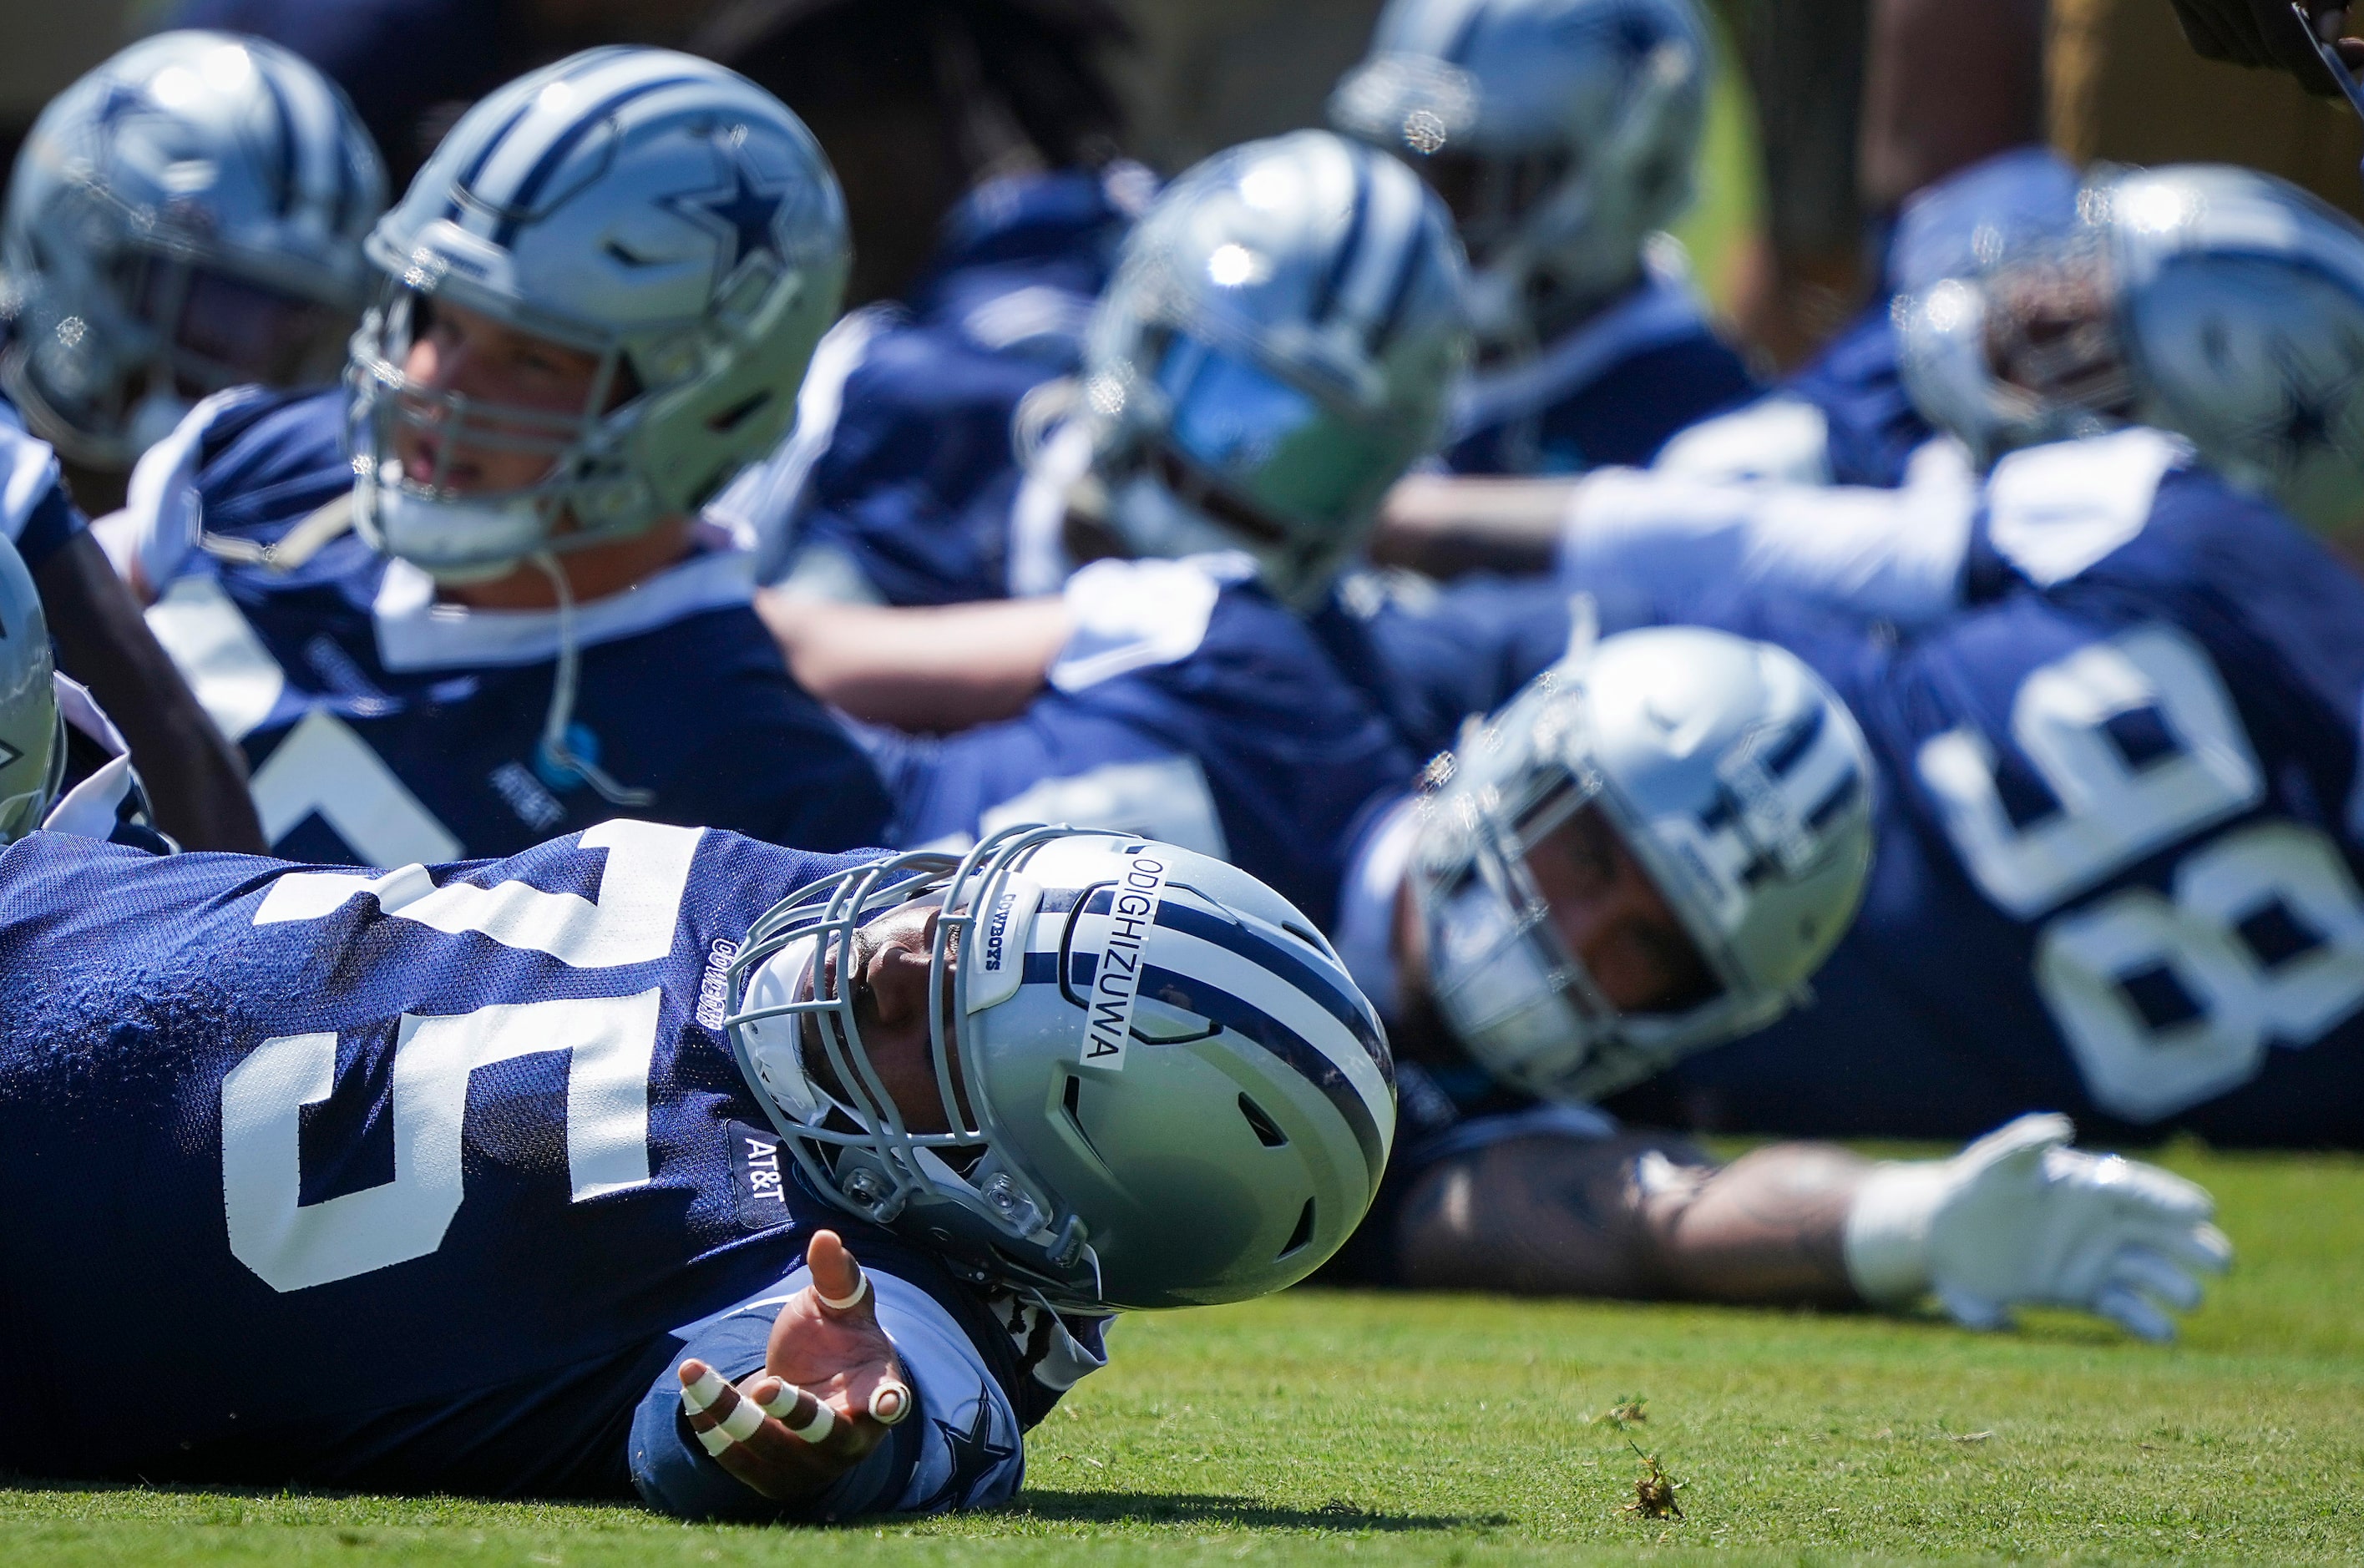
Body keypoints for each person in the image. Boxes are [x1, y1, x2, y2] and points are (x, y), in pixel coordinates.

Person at [0, 815, 1392, 1517]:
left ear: (1010, 1204)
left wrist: (835, 1438)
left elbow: (897, 1411)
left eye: (934, 1017)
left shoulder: (878, 1290)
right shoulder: (847, 903)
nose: (893, 950)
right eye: (956, 909)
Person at [1315, 625, 2231, 1340]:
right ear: (1514, 763)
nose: (1576, 939)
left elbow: (1647, 1214)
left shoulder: (1503, 1128)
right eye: (1587, 856)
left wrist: (1898, 1223)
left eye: (1651, 948)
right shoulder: (1266, 733)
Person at [109, 48, 892, 866]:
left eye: (532, 360)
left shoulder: (758, 785)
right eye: (438, 319)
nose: (430, 387)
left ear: (706, 402)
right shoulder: (270, 464)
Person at [767, 130, 1470, 927]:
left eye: (1323, 457)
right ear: (1143, 328)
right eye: (1230, 402)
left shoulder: (1326, 706)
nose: (1247, 478)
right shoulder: (890, 409)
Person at [0, 31, 394, 851]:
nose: (251, 369)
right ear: (86, 248)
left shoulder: (292, 517)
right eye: (220, 311)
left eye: (294, 333)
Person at [1327, 0, 1756, 478]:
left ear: (1636, 171)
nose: (1427, 209)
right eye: (1414, 160)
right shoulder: (1347, 355)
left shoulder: (1711, 445)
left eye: (1475, 179)